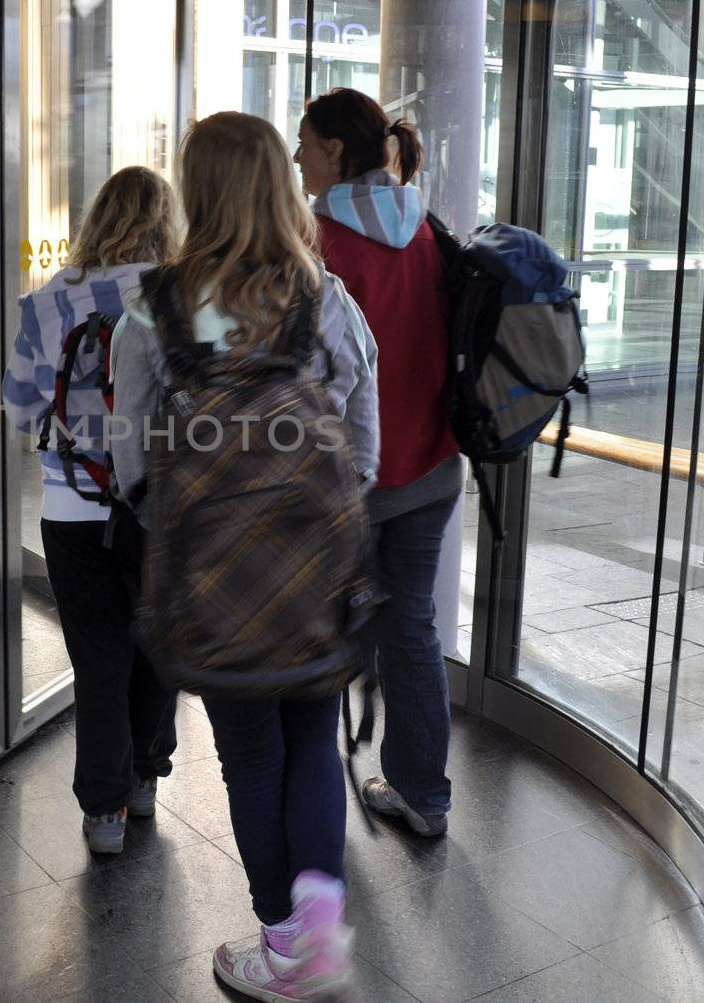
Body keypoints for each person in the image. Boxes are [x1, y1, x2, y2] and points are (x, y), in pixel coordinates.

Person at [110, 113, 378, 1001]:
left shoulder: (155, 308)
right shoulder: (322, 297)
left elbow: (130, 457)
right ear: (274, 183)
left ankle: (283, 948)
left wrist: (185, 515)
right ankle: (317, 937)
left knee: (251, 758)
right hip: (313, 573)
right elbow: (363, 438)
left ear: (198, 187)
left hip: (215, 580)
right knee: (312, 745)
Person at [295, 87, 462, 838]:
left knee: (327, 635)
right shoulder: (422, 225)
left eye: (305, 141)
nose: (297, 154)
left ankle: (319, 799)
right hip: (431, 464)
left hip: (351, 479)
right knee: (413, 628)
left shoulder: (320, 239)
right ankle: (425, 796)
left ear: (334, 149)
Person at [2, 166, 182, 856]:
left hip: (71, 507)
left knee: (98, 657)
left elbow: (20, 407)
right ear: (165, 222)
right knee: (158, 645)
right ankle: (144, 777)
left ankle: (102, 812)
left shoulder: (46, 299)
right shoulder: (187, 299)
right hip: (160, 507)